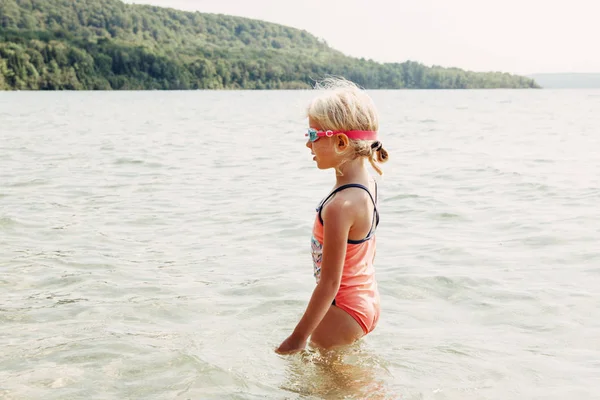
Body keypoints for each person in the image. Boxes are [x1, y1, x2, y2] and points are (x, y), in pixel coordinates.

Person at [276, 77, 389, 355]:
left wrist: (297, 338)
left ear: (340, 142)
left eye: (312, 136)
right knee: (340, 380)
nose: (308, 145)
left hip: (345, 307)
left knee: (327, 388)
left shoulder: (341, 206)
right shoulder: (367, 186)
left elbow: (329, 284)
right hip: (366, 300)